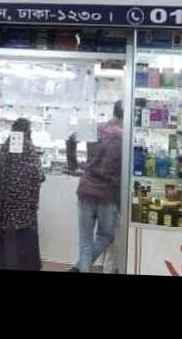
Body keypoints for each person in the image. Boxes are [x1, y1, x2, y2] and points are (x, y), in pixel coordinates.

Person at [72, 101, 123, 273]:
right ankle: (79, 267)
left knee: (85, 242)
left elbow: (71, 138)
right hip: (107, 194)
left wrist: (73, 165)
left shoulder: (95, 128)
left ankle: (80, 267)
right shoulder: (123, 137)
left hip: (86, 189)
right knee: (105, 236)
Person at [0, 118, 45, 270]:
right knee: (21, 238)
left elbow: (0, 174)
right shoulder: (28, 148)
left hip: (4, 203)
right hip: (23, 205)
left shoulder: (5, 146)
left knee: (5, 236)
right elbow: (38, 174)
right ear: (27, 130)